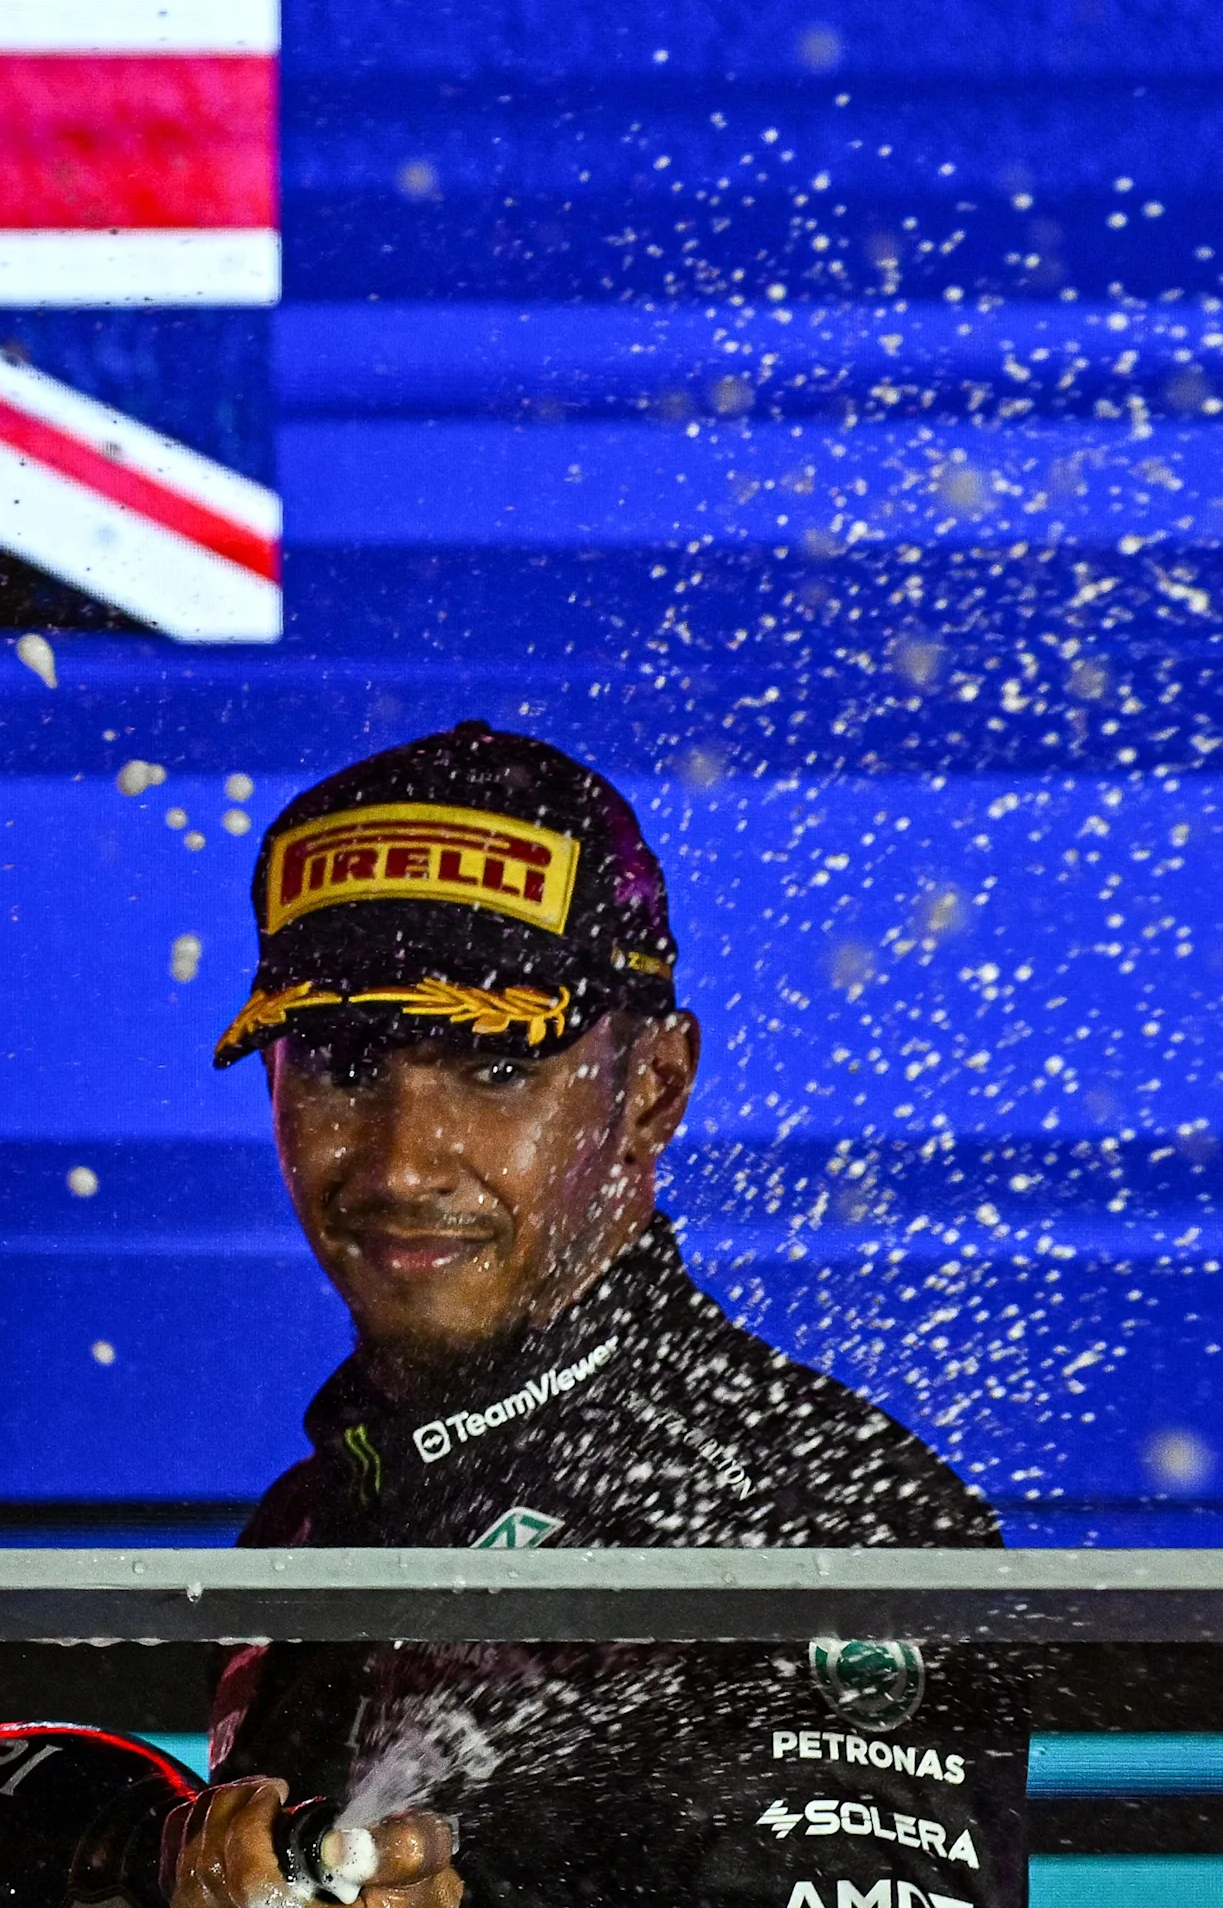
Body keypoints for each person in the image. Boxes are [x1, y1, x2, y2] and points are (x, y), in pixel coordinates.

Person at [170, 721, 1024, 1907]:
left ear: (654, 1089)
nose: (403, 1160)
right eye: (344, 1062)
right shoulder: (310, 1520)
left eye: (497, 1066)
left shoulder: (835, 1521)